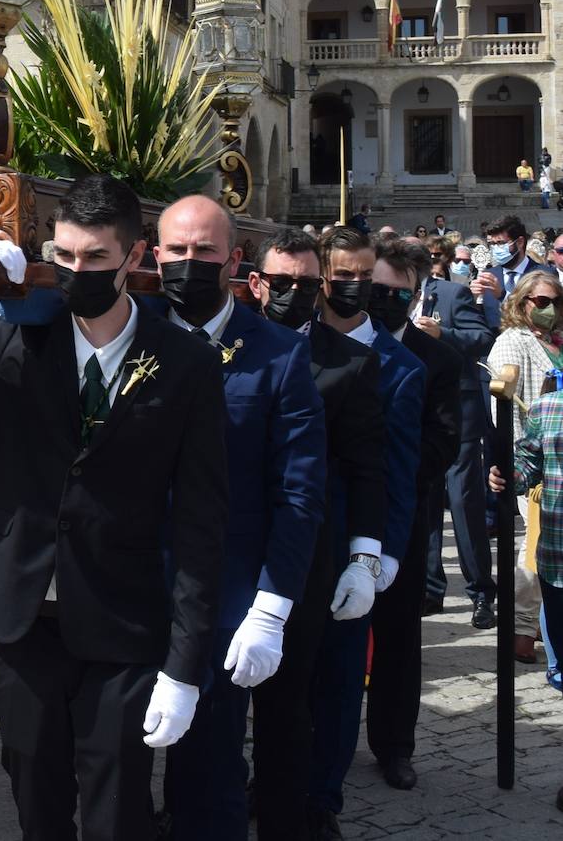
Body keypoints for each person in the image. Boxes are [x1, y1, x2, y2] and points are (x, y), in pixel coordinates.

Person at [0, 174, 230, 841]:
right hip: (22, 614)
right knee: (36, 796)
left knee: (117, 805)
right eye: (64, 256)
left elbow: (201, 520)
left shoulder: (186, 362)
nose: (77, 271)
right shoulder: (16, 341)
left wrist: (185, 667)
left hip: (122, 616)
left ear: (134, 256)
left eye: (95, 258)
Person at [152, 197, 325, 841]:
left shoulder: (277, 354)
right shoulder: (128, 333)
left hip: (226, 598)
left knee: (210, 772)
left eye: (204, 252)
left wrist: (271, 607)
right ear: (154, 253)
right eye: (177, 250)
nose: (189, 263)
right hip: (127, 591)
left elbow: (299, 490)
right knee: (111, 769)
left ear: (232, 259)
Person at [247, 228, 385, 841]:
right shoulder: (216, 344)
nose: (295, 293)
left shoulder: (350, 360)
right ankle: (202, 805)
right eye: (283, 283)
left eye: (307, 284)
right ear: (258, 283)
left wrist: (365, 555)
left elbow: (368, 468)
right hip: (222, 544)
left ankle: (293, 813)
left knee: (291, 700)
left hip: (306, 549)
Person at [306, 225, 424, 840]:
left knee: (341, 678)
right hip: (286, 540)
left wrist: (380, 559)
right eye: (341, 275)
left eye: (363, 276)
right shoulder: (285, 344)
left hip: (354, 543)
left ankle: (323, 798)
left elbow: (399, 473)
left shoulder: (400, 368)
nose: (352, 287)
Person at [363, 238, 461, 791]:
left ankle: (395, 744)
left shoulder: (438, 360)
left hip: (402, 513)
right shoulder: (334, 340)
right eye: (376, 290)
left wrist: (384, 472)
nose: (384, 301)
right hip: (338, 509)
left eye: (397, 294)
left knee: (398, 634)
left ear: (417, 295)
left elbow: (443, 441)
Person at [486, 271, 563, 664]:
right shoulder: (511, 342)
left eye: (555, 301)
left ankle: (532, 628)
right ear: (522, 302)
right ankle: (519, 630)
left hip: (558, 456)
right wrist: (519, 465)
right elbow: (506, 410)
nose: (549, 308)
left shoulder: (555, 341)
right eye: (541, 301)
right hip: (534, 463)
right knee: (535, 551)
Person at [420, 252, 498, 629]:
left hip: (459, 411)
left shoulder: (450, 294)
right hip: (416, 414)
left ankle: (482, 592)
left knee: (464, 500)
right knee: (426, 500)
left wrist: (442, 334)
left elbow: (482, 337)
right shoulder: (384, 298)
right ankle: (431, 589)